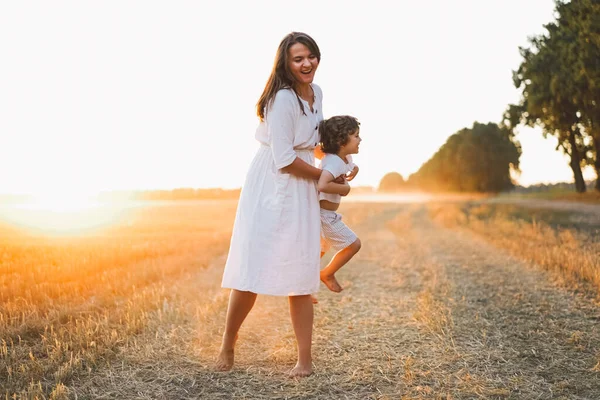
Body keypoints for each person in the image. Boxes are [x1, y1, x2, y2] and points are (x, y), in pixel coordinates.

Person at [216, 32, 349, 378]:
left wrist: (340, 166)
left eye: (311, 57)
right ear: (286, 64)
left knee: (301, 272)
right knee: (251, 269)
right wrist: (323, 177)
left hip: (303, 184)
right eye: (298, 59)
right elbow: (284, 158)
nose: (307, 64)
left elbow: (314, 144)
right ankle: (228, 344)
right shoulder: (281, 100)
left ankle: (304, 361)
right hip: (272, 185)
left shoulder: (316, 93)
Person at [316, 115, 362, 294]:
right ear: (342, 141)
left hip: (327, 215)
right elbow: (322, 184)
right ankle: (326, 273)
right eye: (356, 136)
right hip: (324, 216)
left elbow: (350, 164)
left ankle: (303, 287)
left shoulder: (344, 157)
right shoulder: (333, 162)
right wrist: (344, 189)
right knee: (353, 244)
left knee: (318, 252)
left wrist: (355, 169)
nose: (360, 139)